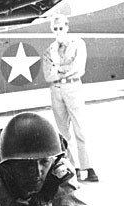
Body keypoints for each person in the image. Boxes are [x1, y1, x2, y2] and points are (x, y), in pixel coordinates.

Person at [42, 14, 99, 182]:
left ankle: (88, 166)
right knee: (63, 131)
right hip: (56, 90)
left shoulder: (78, 44)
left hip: (73, 87)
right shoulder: (49, 49)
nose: (58, 31)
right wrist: (63, 69)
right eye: (55, 28)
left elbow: (78, 68)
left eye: (61, 27)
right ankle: (71, 167)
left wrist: (58, 69)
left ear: (67, 27)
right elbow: (48, 75)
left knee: (80, 129)